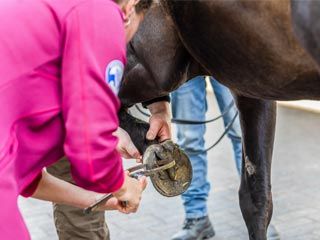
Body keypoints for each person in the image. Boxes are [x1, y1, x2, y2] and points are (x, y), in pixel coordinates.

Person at [0, 0, 155, 239]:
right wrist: (125, 187)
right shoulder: (100, 11)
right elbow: (91, 151)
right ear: (130, 7)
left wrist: (98, 200)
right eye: (135, 33)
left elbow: (29, 180)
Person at [170, 76, 280, 240]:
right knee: (189, 140)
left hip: (224, 57)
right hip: (187, 57)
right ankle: (196, 217)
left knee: (244, 136)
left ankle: (261, 216)